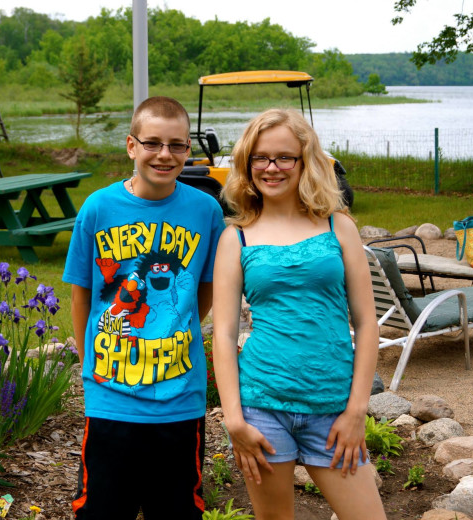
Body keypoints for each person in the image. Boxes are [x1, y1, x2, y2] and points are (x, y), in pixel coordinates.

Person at [211, 108, 386, 520]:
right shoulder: (235, 237)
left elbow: (366, 323)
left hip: (334, 409)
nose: (271, 168)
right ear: (247, 163)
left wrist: (357, 410)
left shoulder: (338, 227)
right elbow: (223, 333)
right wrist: (234, 419)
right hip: (262, 408)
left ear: (304, 161)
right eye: (260, 157)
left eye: (283, 157)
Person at [63, 96, 225, 519]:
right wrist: (88, 356)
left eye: (176, 144)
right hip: (110, 396)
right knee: (101, 509)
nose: (164, 154)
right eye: (152, 143)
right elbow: (81, 293)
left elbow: (204, 289)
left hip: (179, 398)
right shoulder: (98, 208)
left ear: (188, 149)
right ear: (131, 146)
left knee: (176, 510)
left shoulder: (206, 210)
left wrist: (173, 321)